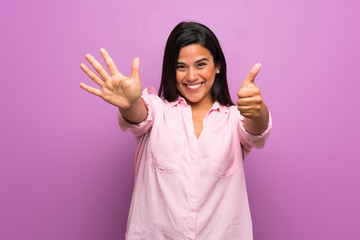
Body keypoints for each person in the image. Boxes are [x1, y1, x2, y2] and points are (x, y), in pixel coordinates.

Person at [80, 21, 272, 240]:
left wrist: (256, 110)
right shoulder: (156, 110)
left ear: (217, 65)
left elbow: (257, 132)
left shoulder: (234, 118)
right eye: (181, 66)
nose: (191, 76)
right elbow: (138, 116)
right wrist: (129, 103)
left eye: (201, 65)